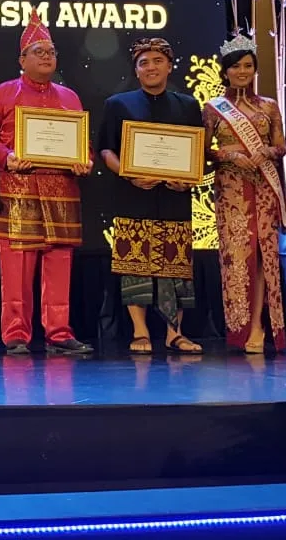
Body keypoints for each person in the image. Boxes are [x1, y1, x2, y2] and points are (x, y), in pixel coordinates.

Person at [0, 11, 93, 355]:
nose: (46, 57)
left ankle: (59, 333)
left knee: (59, 265)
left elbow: (82, 142)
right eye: (39, 51)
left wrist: (85, 160)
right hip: (17, 191)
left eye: (51, 52)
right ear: (22, 60)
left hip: (61, 192)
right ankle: (16, 334)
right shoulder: (3, 93)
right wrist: (6, 157)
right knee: (17, 268)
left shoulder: (70, 97)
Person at [99, 38, 204, 355]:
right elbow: (105, 150)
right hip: (133, 194)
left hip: (174, 197)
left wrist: (187, 180)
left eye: (158, 60)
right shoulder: (118, 104)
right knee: (134, 264)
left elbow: (196, 151)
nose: (151, 67)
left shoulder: (188, 105)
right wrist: (129, 174)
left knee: (176, 266)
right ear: (136, 70)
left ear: (170, 66)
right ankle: (140, 331)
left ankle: (175, 333)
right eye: (143, 62)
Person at [203, 34, 286, 354]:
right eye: (236, 66)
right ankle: (239, 326)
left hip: (264, 185)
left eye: (248, 66)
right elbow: (203, 150)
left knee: (264, 256)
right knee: (237, 257)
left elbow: (281, 146)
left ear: (255, 69)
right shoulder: (213, 109)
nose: (242, 71)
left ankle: (258, 326)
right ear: (225, 71)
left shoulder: (269, 106)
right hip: (230, 189)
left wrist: (266, 151)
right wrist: (228, 155)